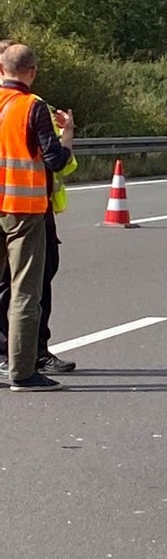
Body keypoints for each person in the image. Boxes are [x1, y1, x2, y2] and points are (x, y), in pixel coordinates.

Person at [0, 39, 77, 377]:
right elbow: (57, 161)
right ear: (31, 72)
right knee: (25, 291)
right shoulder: (32, 106)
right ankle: (23, 370)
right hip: (23, 209)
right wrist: (68, 134)